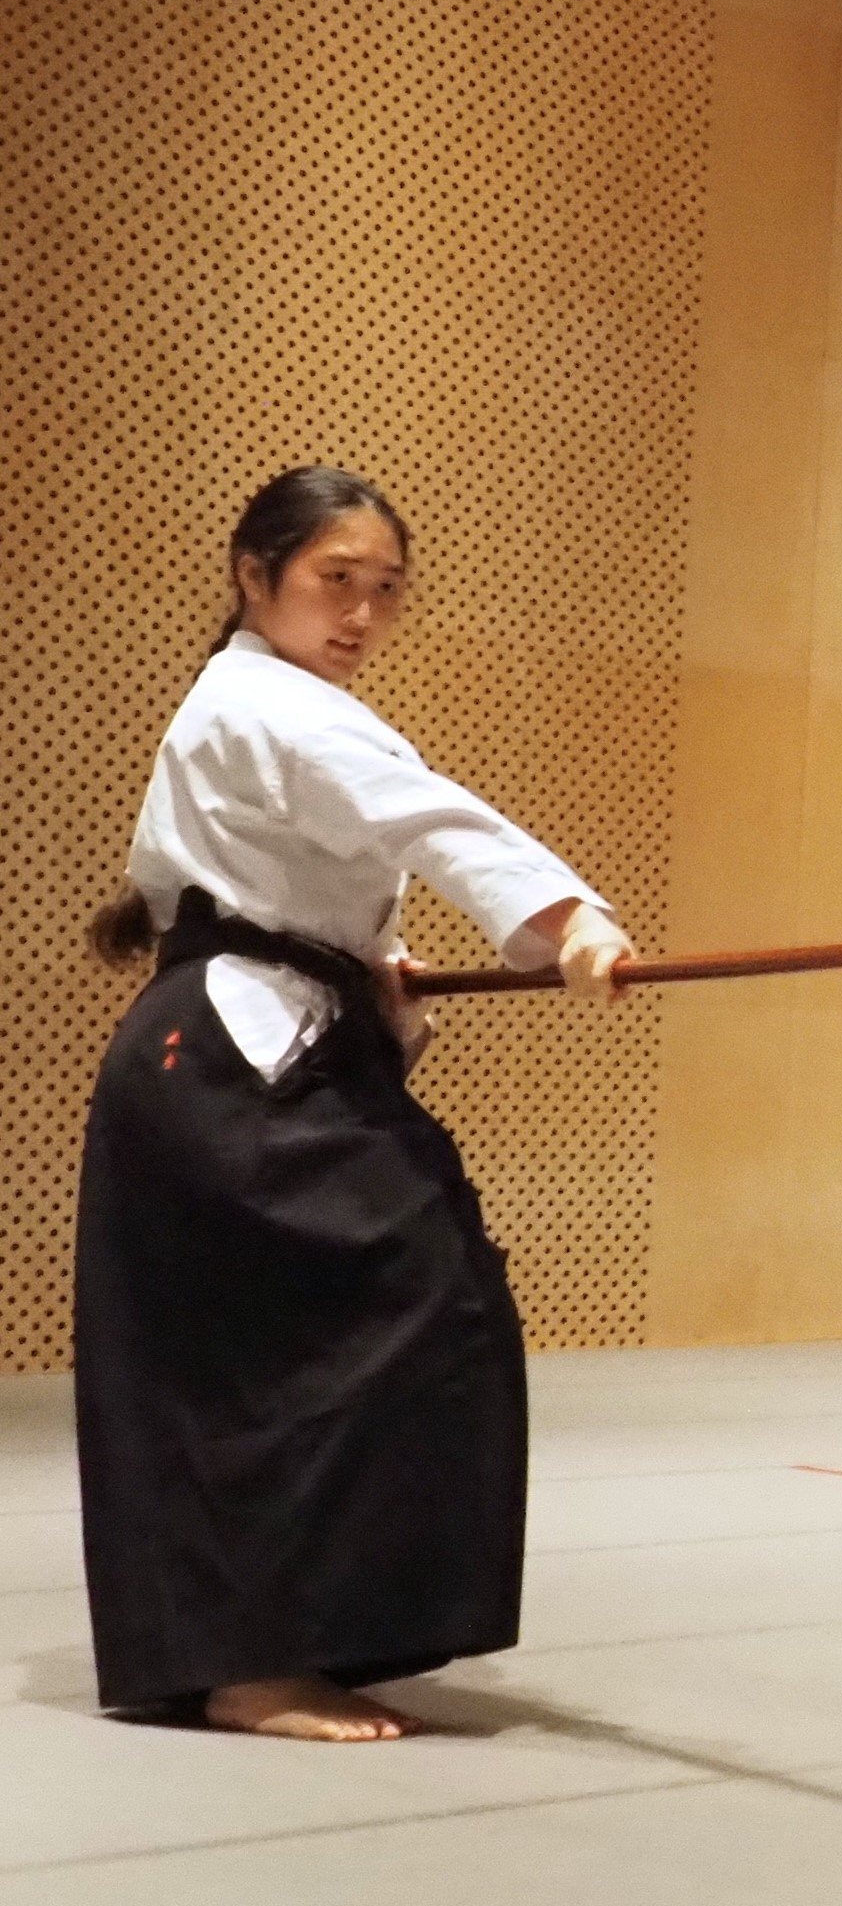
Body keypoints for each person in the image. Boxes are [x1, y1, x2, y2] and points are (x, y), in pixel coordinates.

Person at [77, 469, 632, 1743]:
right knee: (394, 1299)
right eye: (337, 582)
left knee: (320, 1331)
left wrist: (370, 968)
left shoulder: (268, 707)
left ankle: (286, 1640)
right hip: (225, 1061)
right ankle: (260, 1662)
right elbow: (430, 819)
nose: (364, 615)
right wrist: (568, 922)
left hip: (226, 1048)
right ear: (252, 575)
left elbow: (278, 887)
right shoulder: (263, 704)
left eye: (386, 590)